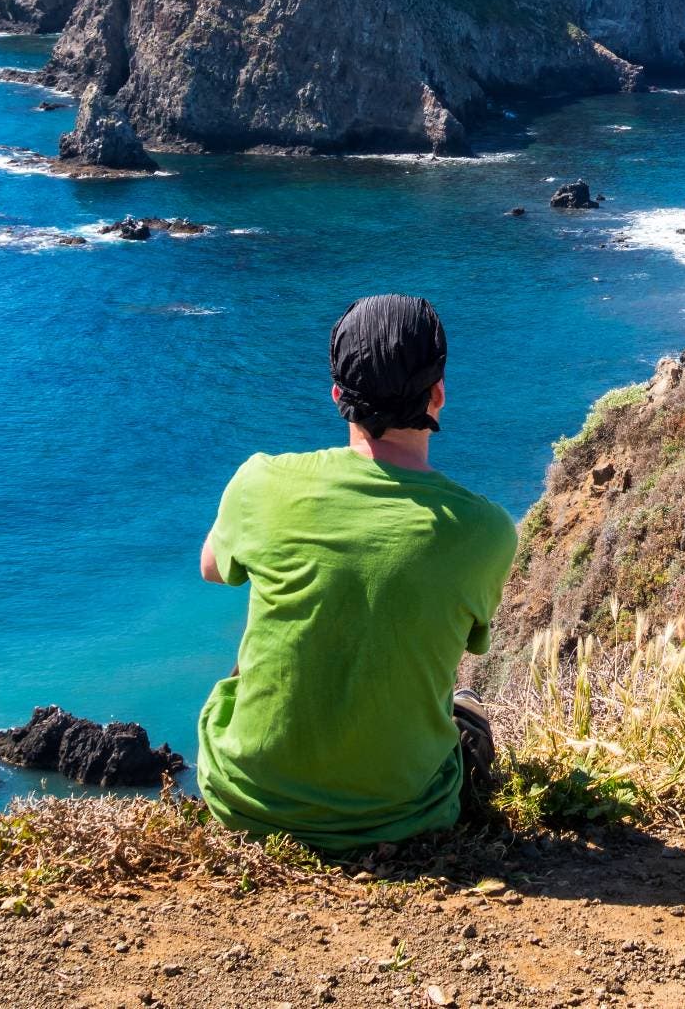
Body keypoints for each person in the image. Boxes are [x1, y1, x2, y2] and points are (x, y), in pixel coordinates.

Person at [196, 295, 515, 850]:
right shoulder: (486, 530)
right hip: (405, 814)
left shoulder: (261, 482)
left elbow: (212, 569)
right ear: (438, 394)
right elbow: (468, 638)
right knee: (467, 711)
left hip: (245, 802)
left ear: (338, 396)